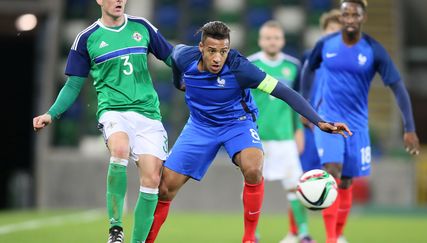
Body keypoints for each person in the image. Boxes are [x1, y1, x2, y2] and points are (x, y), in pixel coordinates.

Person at [145, 21, 351, 243]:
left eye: (223, 51)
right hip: (200, 126)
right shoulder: (183, 57)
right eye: (212, 51)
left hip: (238, 123)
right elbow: (170, 59)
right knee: (165, 188)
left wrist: (319, 122)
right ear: (201, 47)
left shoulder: (241, 68)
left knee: (253, 167)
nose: (217, 58)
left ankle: (250, 238)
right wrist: (179, 82)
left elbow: (284, 92)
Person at [32, 1, 173, 242]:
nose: (119, 0)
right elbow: (74, 84)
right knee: (119, 149)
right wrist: (51, 114)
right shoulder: (87, 38)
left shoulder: (142, 27)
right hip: (114, 111)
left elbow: (173, 58)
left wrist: (194, 76)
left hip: (148, 115)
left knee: (152, 179)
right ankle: (115, 230)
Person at [301, 1, 420, 243]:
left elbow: (398, 87)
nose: (350, 18)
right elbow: (308, 69)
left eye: (355, 14)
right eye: (346, 13)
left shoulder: (373, 50)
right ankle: (331, 239)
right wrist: (306, 105)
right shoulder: (325, 44)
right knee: (332, 171)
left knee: (347, 181)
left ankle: (338, 233)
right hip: (328, 120)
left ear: (363, 17)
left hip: (356, 126)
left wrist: (409, 127)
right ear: (342, 17)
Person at [248, 20, 314, 243]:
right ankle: (252, 234)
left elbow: (297, 102)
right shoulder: (250, 64)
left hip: (286, 137)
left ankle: (302, 233)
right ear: (260, 40)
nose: (272, 41)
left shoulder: (293, 66)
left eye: (276, 38)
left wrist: (299, 131)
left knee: (295, 187)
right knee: (252, 186)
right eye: (268, 37)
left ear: (283, 40)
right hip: (257, 138)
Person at [300, 9, 342, 176]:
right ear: (324, 31)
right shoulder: (309, 56)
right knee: (307, 175)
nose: (334, 33)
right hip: (310, 123)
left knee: (333, 172)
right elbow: (301, 84)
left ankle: (333, 202)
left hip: (335, 123)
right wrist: (303, 107)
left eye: (339, 31)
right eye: (331, 29)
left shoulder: (348, 61)